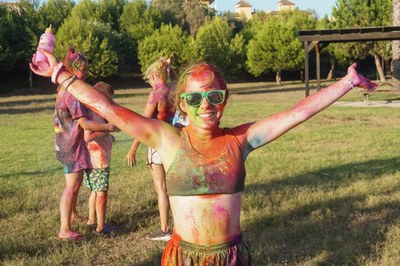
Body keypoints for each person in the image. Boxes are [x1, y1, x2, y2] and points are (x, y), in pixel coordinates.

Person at [31, 50, 376, 264]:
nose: (206, 106)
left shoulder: (240, 139)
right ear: (182, 104)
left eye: (214, 96)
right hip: (184, 257)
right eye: (195, 100)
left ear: (225, 98)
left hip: (232, 256)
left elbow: (297, 113)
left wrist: (346, 82)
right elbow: (110, 108)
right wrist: (61, 76)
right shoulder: (167, 140)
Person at [45, 48, 117, 241]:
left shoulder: (63, 89)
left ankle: (73, 215)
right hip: (72, 146)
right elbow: (84, 124)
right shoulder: (72, 94)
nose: (86, 73)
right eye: (83, 70)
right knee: (72, 186)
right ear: (73, 70)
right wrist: (108, 127)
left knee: (74, 186)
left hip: (64, 143)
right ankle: (64, 229)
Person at [125, 54, 181, 241]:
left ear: (154, 76)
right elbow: (174, 78)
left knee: (161, 188)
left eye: (149, 77)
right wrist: (168, 66)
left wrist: (133, 149)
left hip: (157, 144)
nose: (149, 81)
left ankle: (165, 229)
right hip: (174, 141)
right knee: (176, 187)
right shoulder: (173, 91)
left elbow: (143, 124)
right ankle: (181, 224)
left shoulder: (156, 95)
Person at [84, 81, 118, 235]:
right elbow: (88, 136)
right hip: (98, 160)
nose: (109, 103)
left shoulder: (94, 112)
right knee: (101, 193)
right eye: (108, 100)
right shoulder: (93, 114)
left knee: (95, 191)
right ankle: (101, 226)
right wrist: (107, 129)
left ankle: (92, 219)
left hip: (94, 159)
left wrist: (109, 133)